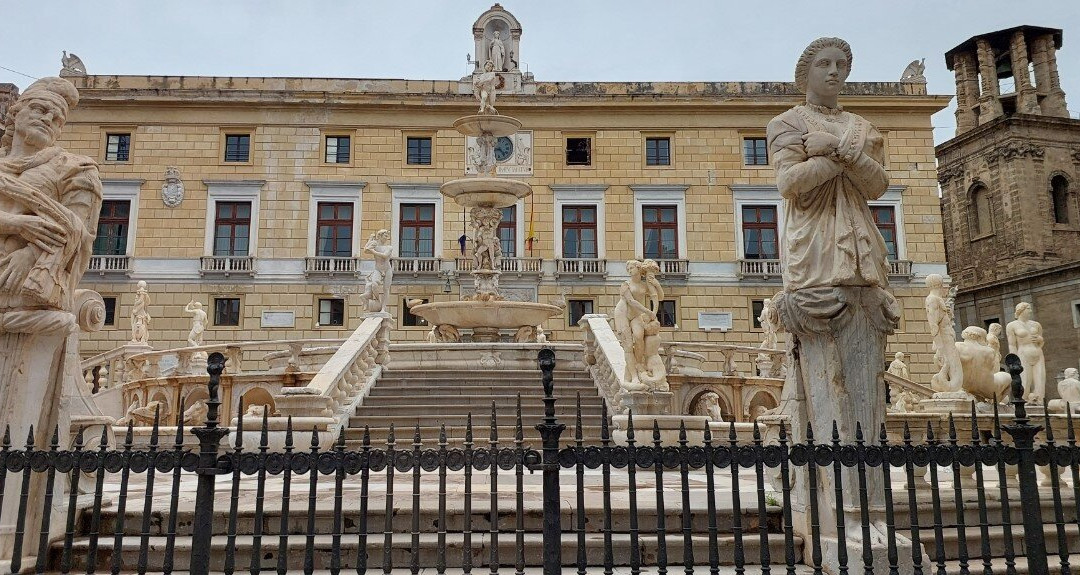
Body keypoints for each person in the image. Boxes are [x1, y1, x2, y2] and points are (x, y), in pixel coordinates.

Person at [767, 38, 899, 551]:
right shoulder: (786, 123)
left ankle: (865, 514)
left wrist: (843, 154)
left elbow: (879, 185)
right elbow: (789, 184)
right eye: (824, 64)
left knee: (863, 393)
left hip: (860, 253)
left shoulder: (862, 128)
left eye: (842, 64)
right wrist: (837, 160)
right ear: (805, 73)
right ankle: (841, 515)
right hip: (815, 249)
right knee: (831, 391)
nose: (835, 71)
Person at [1006, 302, 1046, 403]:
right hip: (1023, 353)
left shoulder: (1036, 324)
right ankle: (1023, 403)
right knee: (1025, 380)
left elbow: (1041, 341)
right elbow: (1012, 344)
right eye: (1028, 308)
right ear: (1021, 310)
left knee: (1040, 380)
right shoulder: (1012, 325)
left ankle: (1039, 403)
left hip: (1038, 353)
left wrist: (1039, 340)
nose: (1030, 311)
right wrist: (1014, 361)